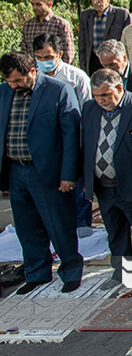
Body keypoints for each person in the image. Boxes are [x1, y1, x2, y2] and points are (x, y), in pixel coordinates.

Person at [0, 51, 83, 293]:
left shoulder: (58, 91)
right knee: (27, 226)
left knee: (59, 223)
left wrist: (68, 174)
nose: (14, 85)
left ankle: (70, 270)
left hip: (48, 171)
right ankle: (37, 272)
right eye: (9, 81)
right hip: (16, 170)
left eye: (18, 80)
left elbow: (71, 136)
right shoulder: (4, 92)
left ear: (33, 71)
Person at [82, 69, 132, 280]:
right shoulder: (90, 109)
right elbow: (86, 145)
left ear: (119, 88)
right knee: (116, 234)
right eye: (97, 95)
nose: (101, 100)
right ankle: (121, 272)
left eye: (106, 95)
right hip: (104, 187)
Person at [78, 0, 129, 74]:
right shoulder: (86, 15)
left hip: (113, 61)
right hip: (93, 61)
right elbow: (82, 43)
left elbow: (129, 41)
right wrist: (83, 65)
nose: (95, 1)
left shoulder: (121, 14)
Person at [21, 0, 74, 64]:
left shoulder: (60, 24)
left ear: (49, 5)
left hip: (56, 71)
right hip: (35, 71)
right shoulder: (28, 25)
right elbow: (25, 51)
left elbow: (68, 53)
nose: (34, 7)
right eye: (33, 4)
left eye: (38, 4)